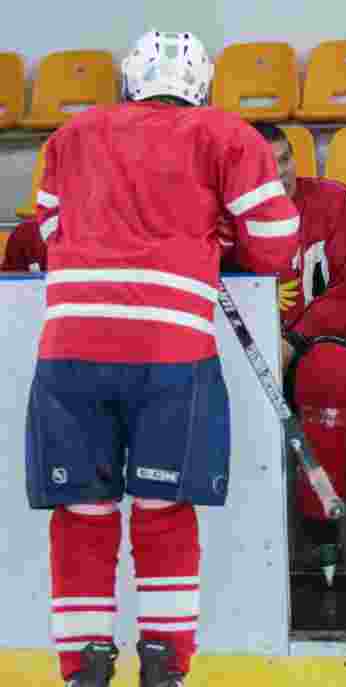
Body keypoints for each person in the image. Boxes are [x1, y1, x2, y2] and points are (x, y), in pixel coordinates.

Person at [25, 31, 300, 687]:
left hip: (71, 348)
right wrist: (220, 232)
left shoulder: (71, 135)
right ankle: (163, 665)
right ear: (202, 84)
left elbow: (48, 230)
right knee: (163, 508)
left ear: (129, 78)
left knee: (83, 512)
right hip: (171, 350)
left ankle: (84, 665)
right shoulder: (230, 136)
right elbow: (276, 244)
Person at [221, 122, 346, 587]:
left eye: (285, 159)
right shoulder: (222, 216)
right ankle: (230, 532)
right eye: (268, 165)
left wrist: (293, 339)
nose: (281, 172)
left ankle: (324, 527)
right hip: (243, 345)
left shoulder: (334, 201)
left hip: (317, 343)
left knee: (331, 373)